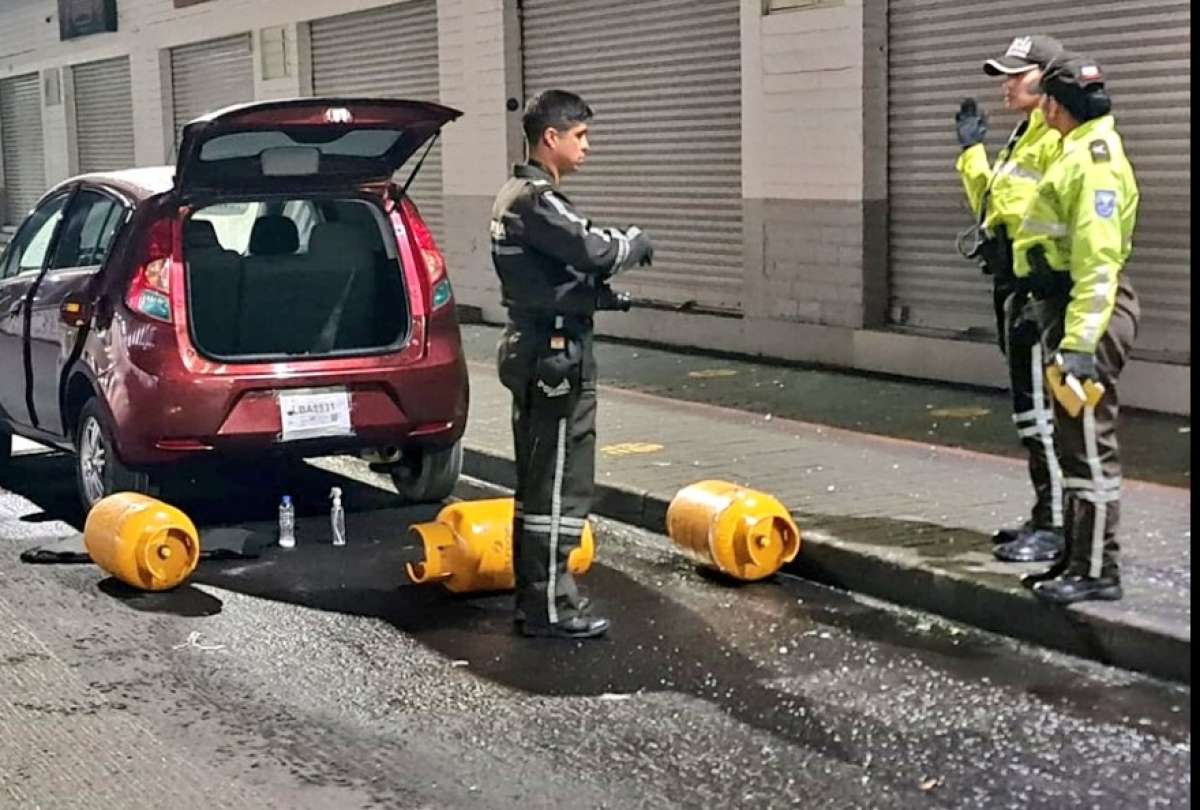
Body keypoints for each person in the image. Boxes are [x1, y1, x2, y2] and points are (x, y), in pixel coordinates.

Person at [490, 90, 653, 638]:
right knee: (560, 484)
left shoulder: (516, 196)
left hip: (535, 345)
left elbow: (551, 275)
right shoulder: (536, 200)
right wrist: (633, 243)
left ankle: (537, 601)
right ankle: (551, 607)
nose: (587, 146)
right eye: (579, 136)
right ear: (550, 137)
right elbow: (592, 249)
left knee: (541, 481)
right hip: (554, 355)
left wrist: (597, 297)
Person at [1011, 53, 1140, 603]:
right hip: (1065, 309)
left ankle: (1097, 572)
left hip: (1086, 316)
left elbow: (1099, 262)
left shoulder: (1093, 161)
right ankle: (1076, 558)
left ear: (1054, 105)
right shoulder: (1077, 149)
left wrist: (1080, 345)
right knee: (1073, 446)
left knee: (1088, 447)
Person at [954, 34, 1068, 565]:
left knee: (1046, 414)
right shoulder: (1024, 135)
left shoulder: (1058, 136)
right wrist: (972, 154)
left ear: (1048, 79)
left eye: (1017, 75)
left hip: (1042, 291)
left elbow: (1036, 214)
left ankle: (1058, 526)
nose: (1006, 85)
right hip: (1015, 287)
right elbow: (991, 207)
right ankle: (1045, 514)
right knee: (1030, 412)